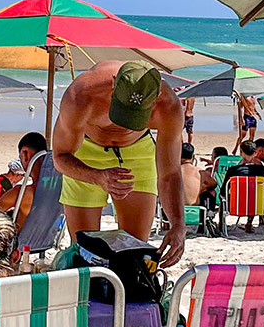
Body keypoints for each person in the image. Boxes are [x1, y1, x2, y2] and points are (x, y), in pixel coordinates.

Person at [52, 60, 185, 267]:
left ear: (157, 96)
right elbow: (60, 157)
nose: (122, 123)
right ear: (113, 85)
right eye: (122, 110)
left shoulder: (169, 107)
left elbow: (170, 174)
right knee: (84, 252)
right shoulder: (81, 96)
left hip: (137, 151)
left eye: (137, 116)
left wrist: (178, 224)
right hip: (84, 152)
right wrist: (97, 176)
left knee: (135, 252)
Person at [0, 131, 49, 228]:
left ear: (25, 154)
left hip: (22, 242)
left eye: (21, 158)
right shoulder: (58, 192)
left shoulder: (22, 193)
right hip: (49, 241)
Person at [227, 140, 264, 232]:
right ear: (255, 153)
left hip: (235, 207)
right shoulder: (263, 170)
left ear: (241, 153)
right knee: (255, 195)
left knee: (225, 199)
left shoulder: (233, 171)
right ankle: (249, 223)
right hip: (259, 206)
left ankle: (221, 227)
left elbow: (223, 192)